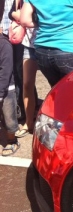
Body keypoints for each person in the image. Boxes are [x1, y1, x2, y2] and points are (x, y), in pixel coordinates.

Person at [20, 0, 73, 87]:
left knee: (57, 91)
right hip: (71, 48)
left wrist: (44, 24)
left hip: (42, 50)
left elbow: (25, 20)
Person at [10, 0, 36, 136]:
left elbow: (24, 18)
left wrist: (16, 14)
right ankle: (29, 122)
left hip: (50, 42)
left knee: (57, 85)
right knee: (27, 84)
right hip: (29, 44)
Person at [0, 1, 21, 156]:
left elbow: (6, 72)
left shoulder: (4, 45)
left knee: (9, 118)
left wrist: (0, 93)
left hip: (6, 89)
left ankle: (12, 139)